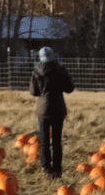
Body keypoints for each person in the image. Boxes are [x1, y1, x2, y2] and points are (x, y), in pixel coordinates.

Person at [29, 46, 75, 178]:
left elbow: (34, 92)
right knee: (56, 141)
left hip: (43, 110)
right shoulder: (60, 69)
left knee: (44, 140)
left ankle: (45, 166)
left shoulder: (37, 71)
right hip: (58, 110)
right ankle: (57, 169)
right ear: (53, 56)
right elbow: (69, 88)